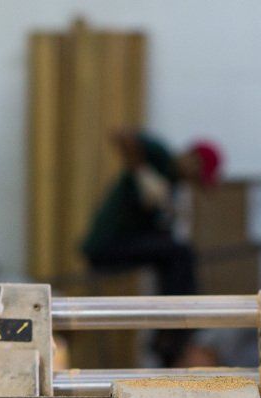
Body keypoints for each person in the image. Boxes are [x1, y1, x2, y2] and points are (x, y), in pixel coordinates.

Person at [79, 130, 223, 365]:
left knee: (176, 255)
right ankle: (174, 331)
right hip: (107, 244)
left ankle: (173, 332)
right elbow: (123, 135)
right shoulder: (160, 157)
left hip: (128, 245)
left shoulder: (174, 188)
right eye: (196, 176)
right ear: (193, 159)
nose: (192, 183)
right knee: (180, 252)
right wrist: (141, 172)